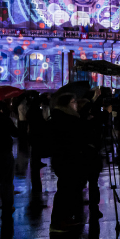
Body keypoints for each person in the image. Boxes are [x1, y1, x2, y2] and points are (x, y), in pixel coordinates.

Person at [49, 93, 88, 231]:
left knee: (66, 188)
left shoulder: (59, 116)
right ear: (67, 104)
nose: (76, 104)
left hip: (63, 159)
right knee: (66, 189)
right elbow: (77, 137)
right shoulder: (66, 119)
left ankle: (63, 218)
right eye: (73, 101)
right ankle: (59, 221)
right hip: (67, 159)